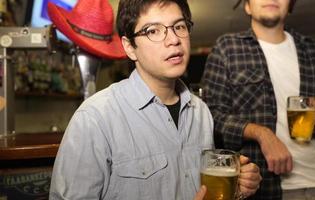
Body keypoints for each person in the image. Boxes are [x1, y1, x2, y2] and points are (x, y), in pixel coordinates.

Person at [48, 0, 262, 199]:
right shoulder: (95, 118)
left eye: (179, 26)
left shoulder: (201, 112)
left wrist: (236, 188)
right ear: (130, 47)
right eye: (153, 31)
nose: (174, 40)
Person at [201, 0, 315, 199]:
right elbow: (211, 116)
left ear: (289, 5)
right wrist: (261, 133)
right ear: (247, 6)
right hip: (266, 187)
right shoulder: (226, 48)